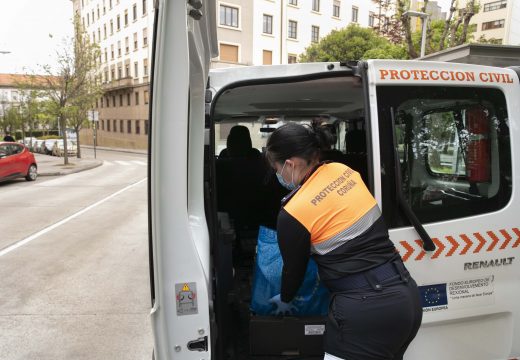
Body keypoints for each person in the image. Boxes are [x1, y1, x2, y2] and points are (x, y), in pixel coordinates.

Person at [265, 123, 422, 360]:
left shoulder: (293, 212)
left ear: (289, 164)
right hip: (406, 295)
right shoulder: (343, 171)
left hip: (365, 308)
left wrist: (285, 298)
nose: (278, 176)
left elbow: (293, 271)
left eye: (276, 168)